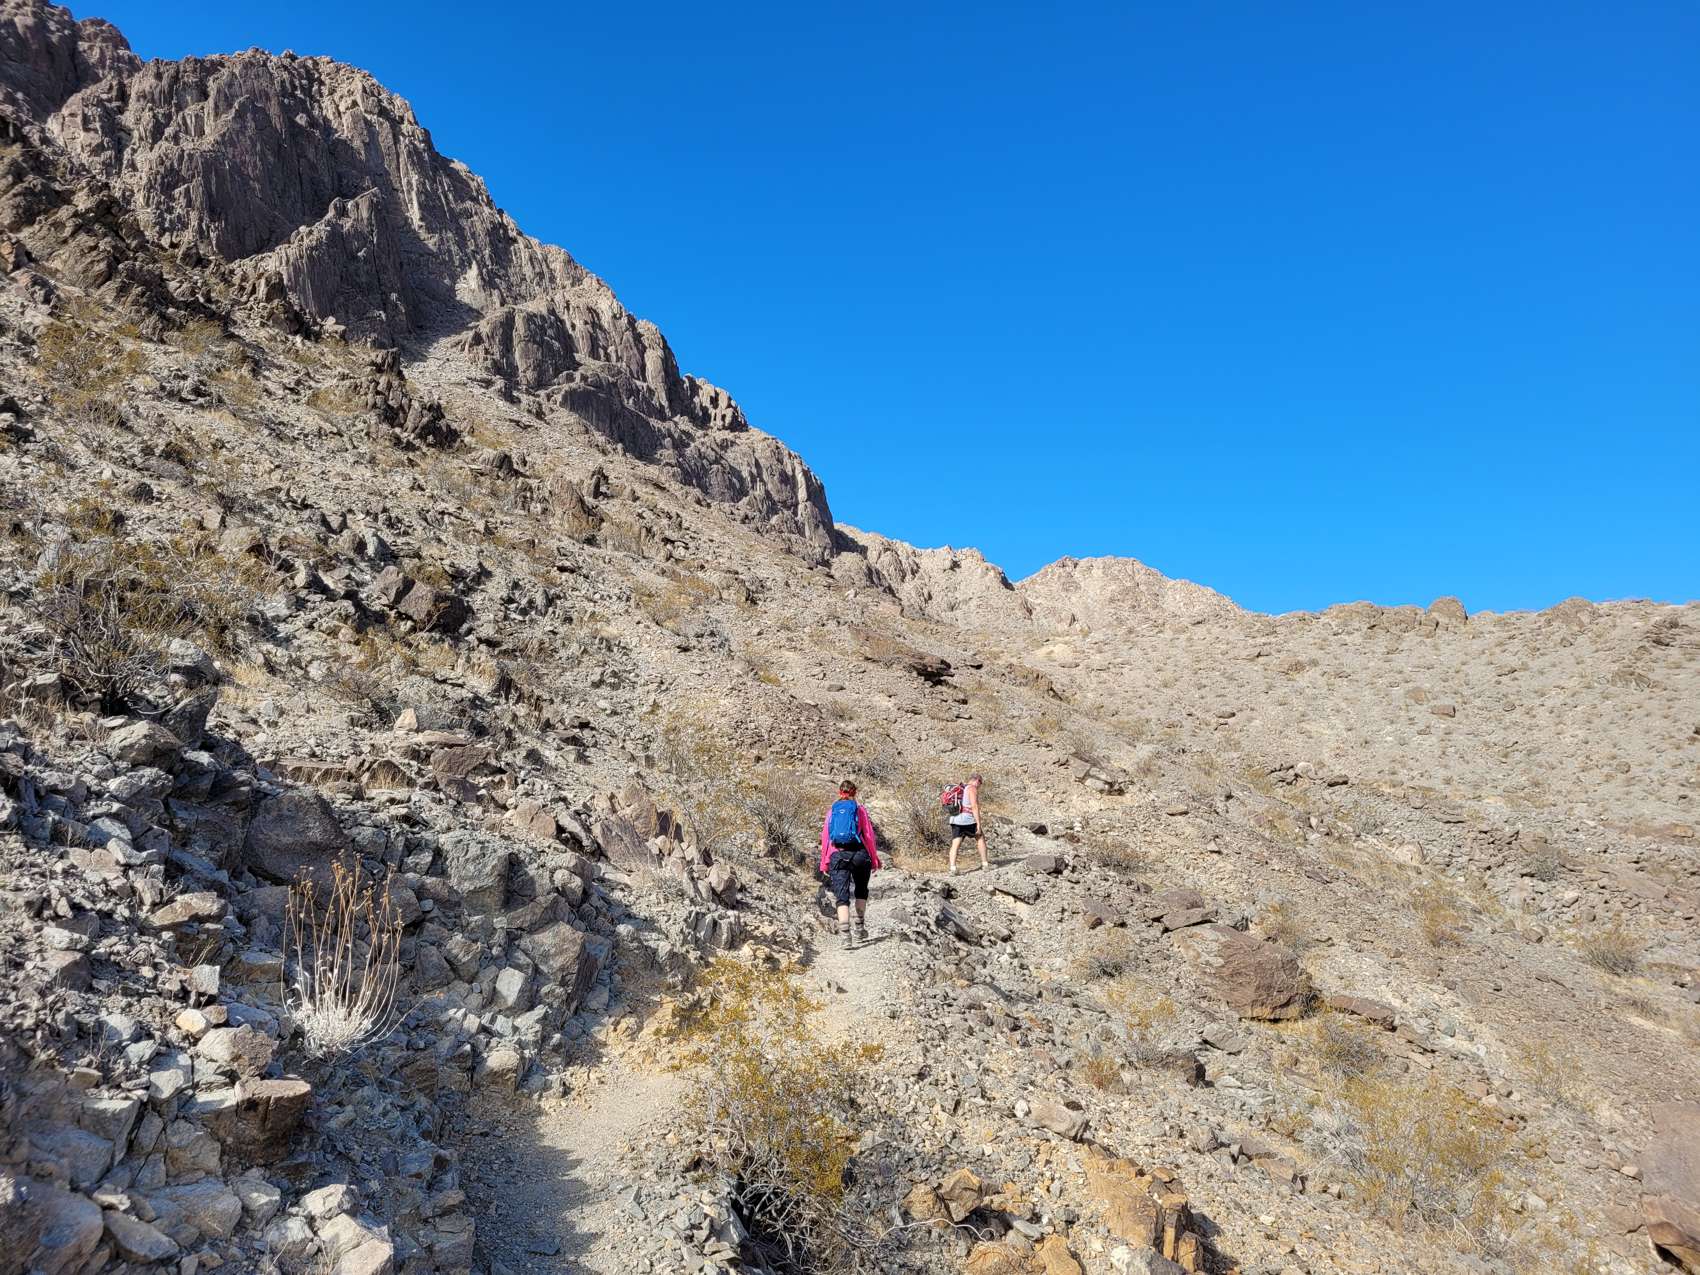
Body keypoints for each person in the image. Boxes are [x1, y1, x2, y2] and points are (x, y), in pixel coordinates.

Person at [820, 780, 880, 949]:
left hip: (838, 855)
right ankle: (859, 929)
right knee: (861, 891)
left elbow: (825, 838)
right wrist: (874, 859)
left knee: (842, 896)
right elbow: (869, 836)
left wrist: (824, 862)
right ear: (855, 792)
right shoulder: (860, 810)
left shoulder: (832, 811)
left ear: (840, 793)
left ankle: (845, 935)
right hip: (860, 855)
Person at [948, 773, 989, 874]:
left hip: (955, 819)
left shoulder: (962, 788)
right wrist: (978, 823)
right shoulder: (972, 788)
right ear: (977, 780)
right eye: (980, 783)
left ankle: (953, 868)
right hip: (968, 819)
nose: (980, 786)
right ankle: (985, 864)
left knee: (955, 844)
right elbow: (974, 806)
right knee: (980, 837)